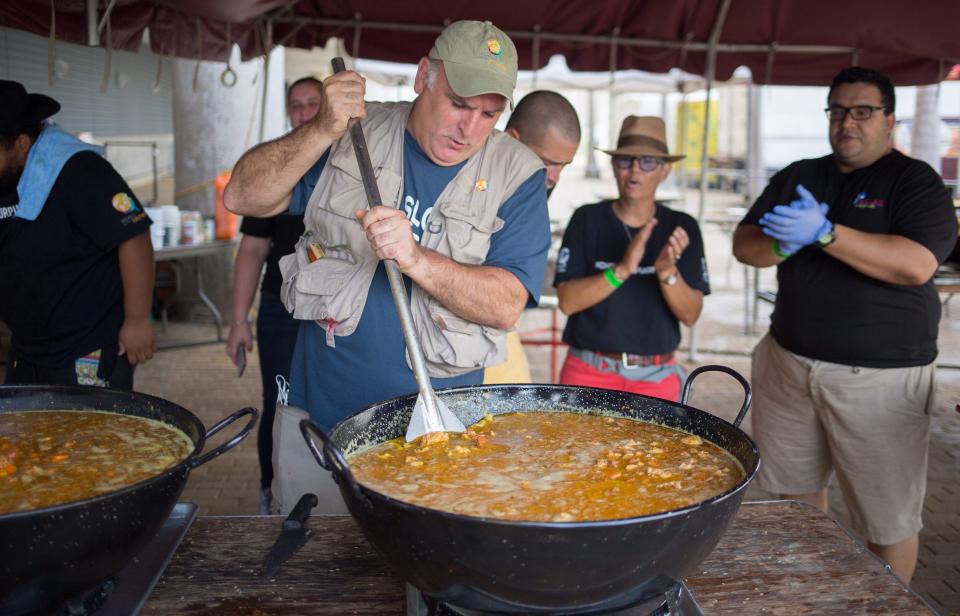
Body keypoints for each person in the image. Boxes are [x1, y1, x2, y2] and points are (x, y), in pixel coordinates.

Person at [223, 21, 550, 513]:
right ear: (424, 77)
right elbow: (242, 194)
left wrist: (417, 258)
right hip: (322, 421)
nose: (470, 129)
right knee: (313, 573)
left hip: (439, 436)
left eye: (489, 113)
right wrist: (319, 129)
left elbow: (506, 306)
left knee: (418, 579)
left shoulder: (517, 174)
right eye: (459, 104)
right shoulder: (351, 135)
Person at [732, 66, 958, 583]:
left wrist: (826, 233)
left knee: (886, 518)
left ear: (890, 120)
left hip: (880, 380)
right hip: (789, 363)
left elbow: (917, 264)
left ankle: (885, 603)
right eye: (837, 111)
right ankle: (812, 594)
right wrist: (783, 244)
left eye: (862, 111)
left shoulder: (914, 181)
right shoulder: (799, 174)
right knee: (795, 501)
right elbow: (746, 246)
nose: (847, 123)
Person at [0, 81, 155, 389]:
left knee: (91, 436)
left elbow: (134, 235)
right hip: (28, 350)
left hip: (88, 349)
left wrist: (137, 320)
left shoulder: (80, 170)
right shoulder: (6, 175)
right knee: (23, 435)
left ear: (21, 143)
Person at [553, 116, 709, 401]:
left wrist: (667, 273)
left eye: (648, 161)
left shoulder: (682, 227)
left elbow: (690, 315)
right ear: (614, 166)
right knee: (577, 447)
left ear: (665, 170)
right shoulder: (587, 219)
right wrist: (622, 270)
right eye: (625, 160)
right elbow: (567, 301)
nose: (635, 169)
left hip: (656, 376)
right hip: (588, 370)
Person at [225, 77, 321, 515]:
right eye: (295, 106)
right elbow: (251, 250)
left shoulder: (353, 162)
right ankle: (272, 491)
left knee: (329, 400)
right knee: (281, 403)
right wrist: (238, 321)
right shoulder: (274, 167)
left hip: (334, 311)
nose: (303, 113)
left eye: (312, 104)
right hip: (281, 308)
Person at [484, 90, 580, 384]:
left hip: (501, 339)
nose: (555, 177)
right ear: (513, 139)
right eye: (548, 161)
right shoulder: (472, 175)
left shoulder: (535, 186)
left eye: (564, 165)